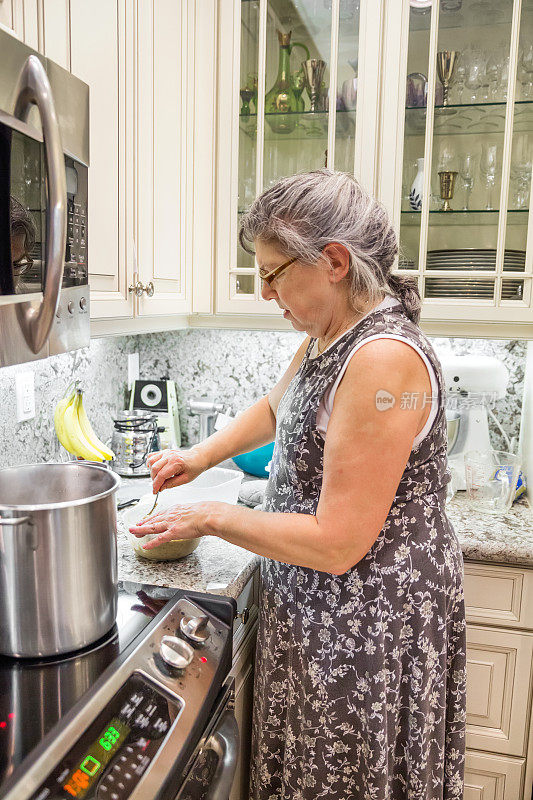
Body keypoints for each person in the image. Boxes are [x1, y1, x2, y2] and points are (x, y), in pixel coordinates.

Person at [130, 169, 466, 799]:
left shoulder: (382, 359)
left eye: (274, 272)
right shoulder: (332, 333)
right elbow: (276, 409)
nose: (264, 292)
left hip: (367, 623)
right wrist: (197, 457)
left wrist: (207, 516)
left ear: (334, 261)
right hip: (322, 607)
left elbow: (338, 541)